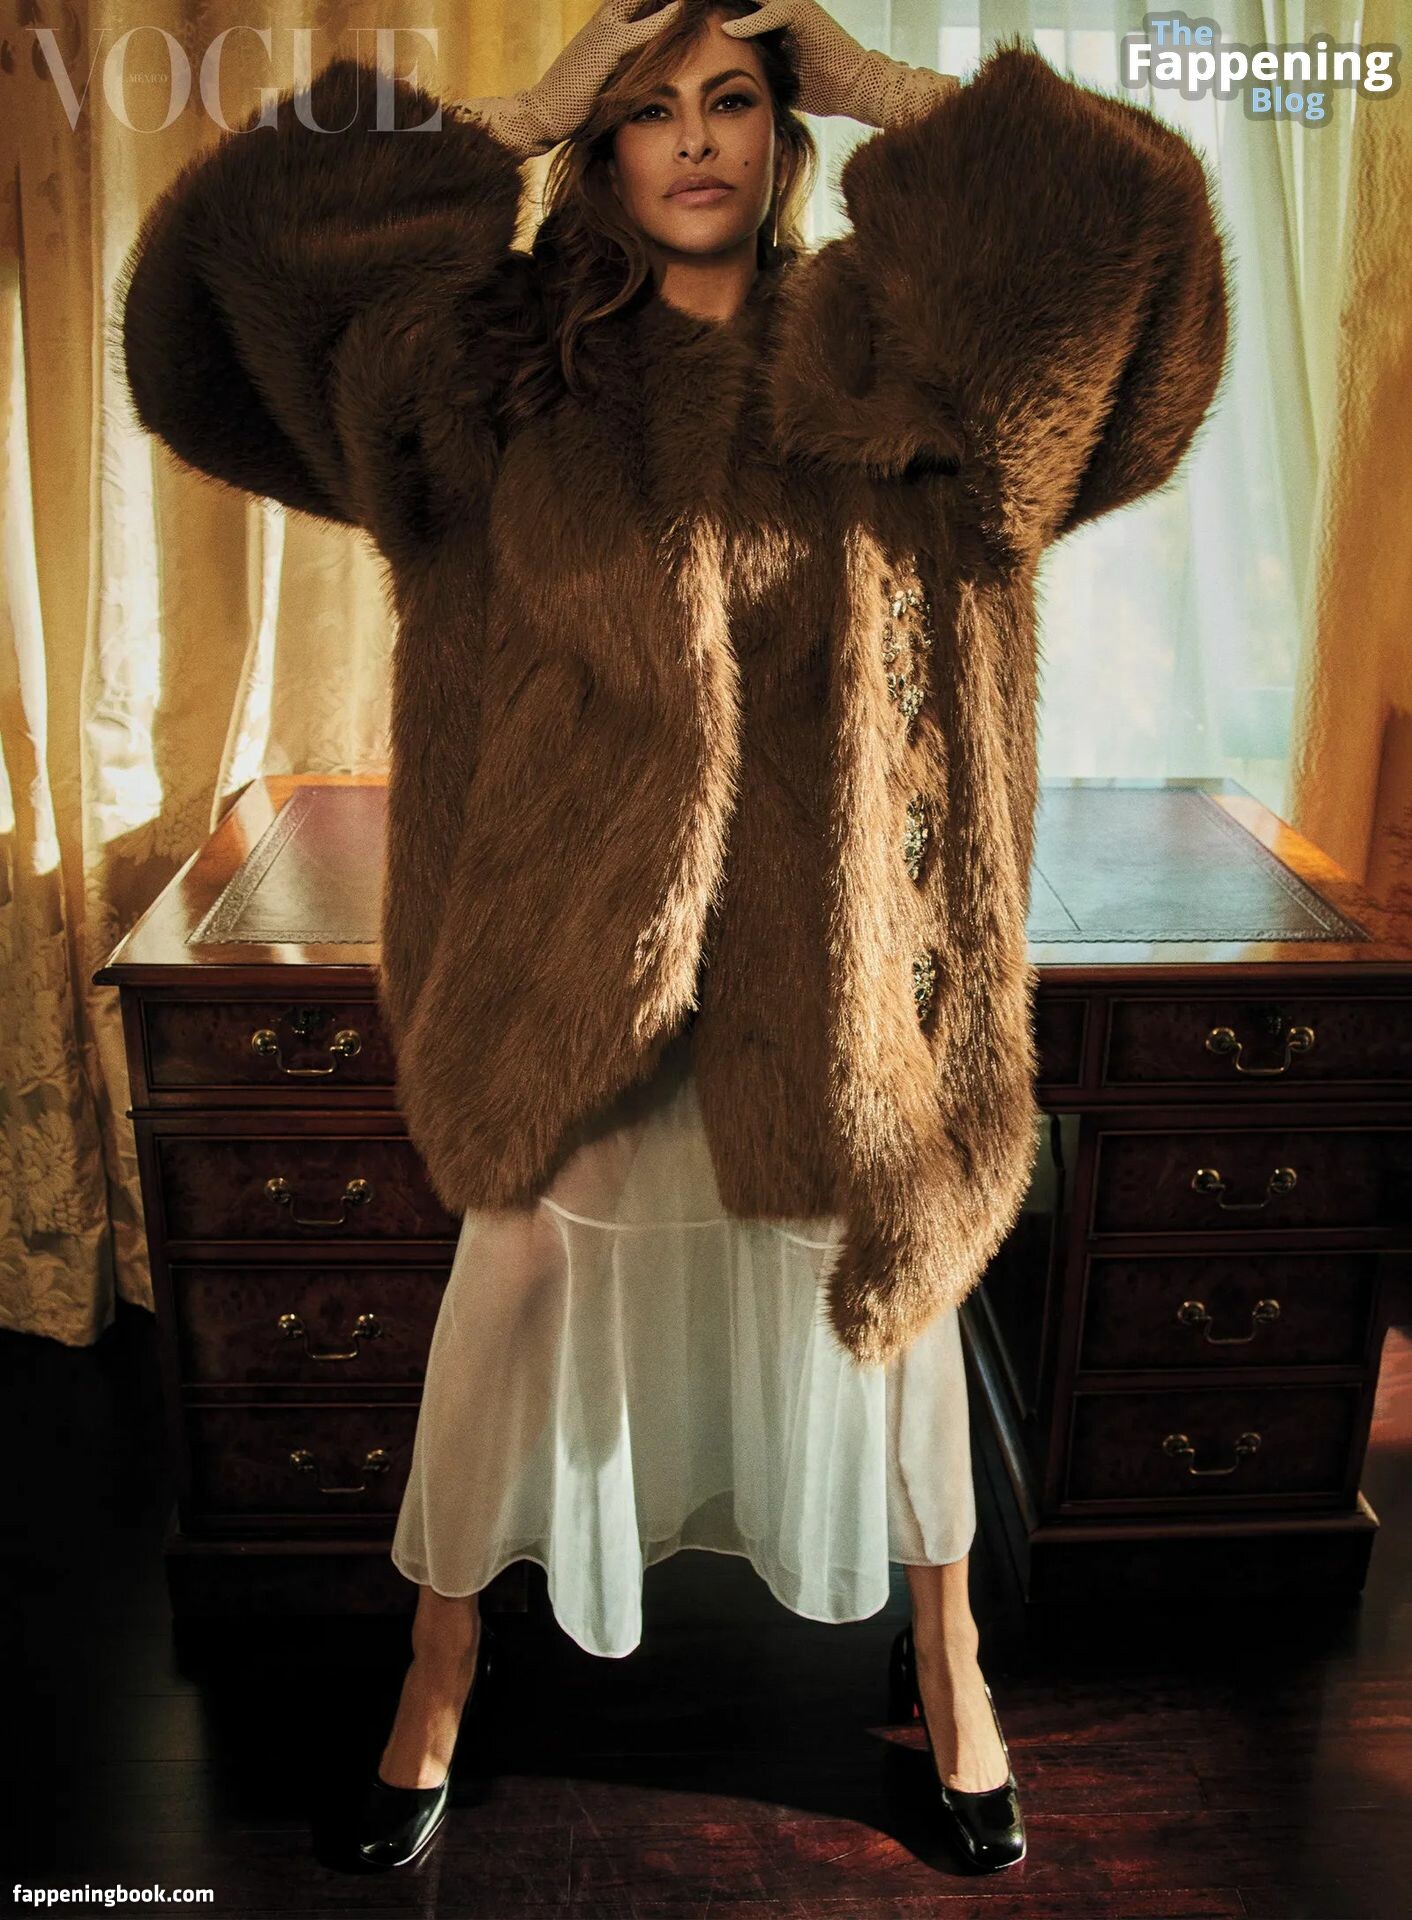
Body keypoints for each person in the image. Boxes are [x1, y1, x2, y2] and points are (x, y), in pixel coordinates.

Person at [116, 0, 1229, 1880]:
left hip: (848, 948)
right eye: (648, 111)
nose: (695, 138)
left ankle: (950, 1661)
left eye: (731, 101)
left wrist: (870, 83)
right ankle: (438, 1667)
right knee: (516, 1290)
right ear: (608, 151)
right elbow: (225, 288)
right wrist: (525, 110)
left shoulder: (902, 354)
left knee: (891, 1303)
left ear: (780, 135)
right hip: (568, 953)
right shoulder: (495, 375)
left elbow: (1139, 250)